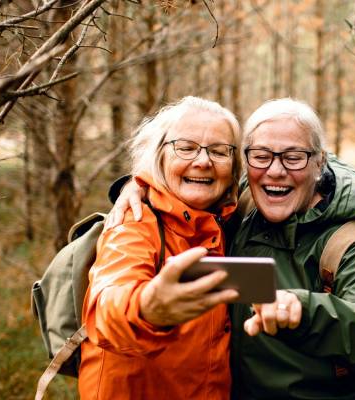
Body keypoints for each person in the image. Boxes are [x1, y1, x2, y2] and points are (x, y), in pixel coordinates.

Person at [111, 98, 355, 399]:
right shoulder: (243, 205)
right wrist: (140, 185)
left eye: (293, 157)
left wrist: (305, 311)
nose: (275, 171)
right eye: (261, 156)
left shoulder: (348, 242)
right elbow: (190, 176)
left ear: (320, 162)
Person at [79, 96, 242, 400]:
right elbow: (108, 303)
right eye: (186, 148)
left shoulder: (230, 220)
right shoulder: (135, 221)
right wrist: (146, 309)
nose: (203, 161)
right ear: (160, 156)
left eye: (219, 151)